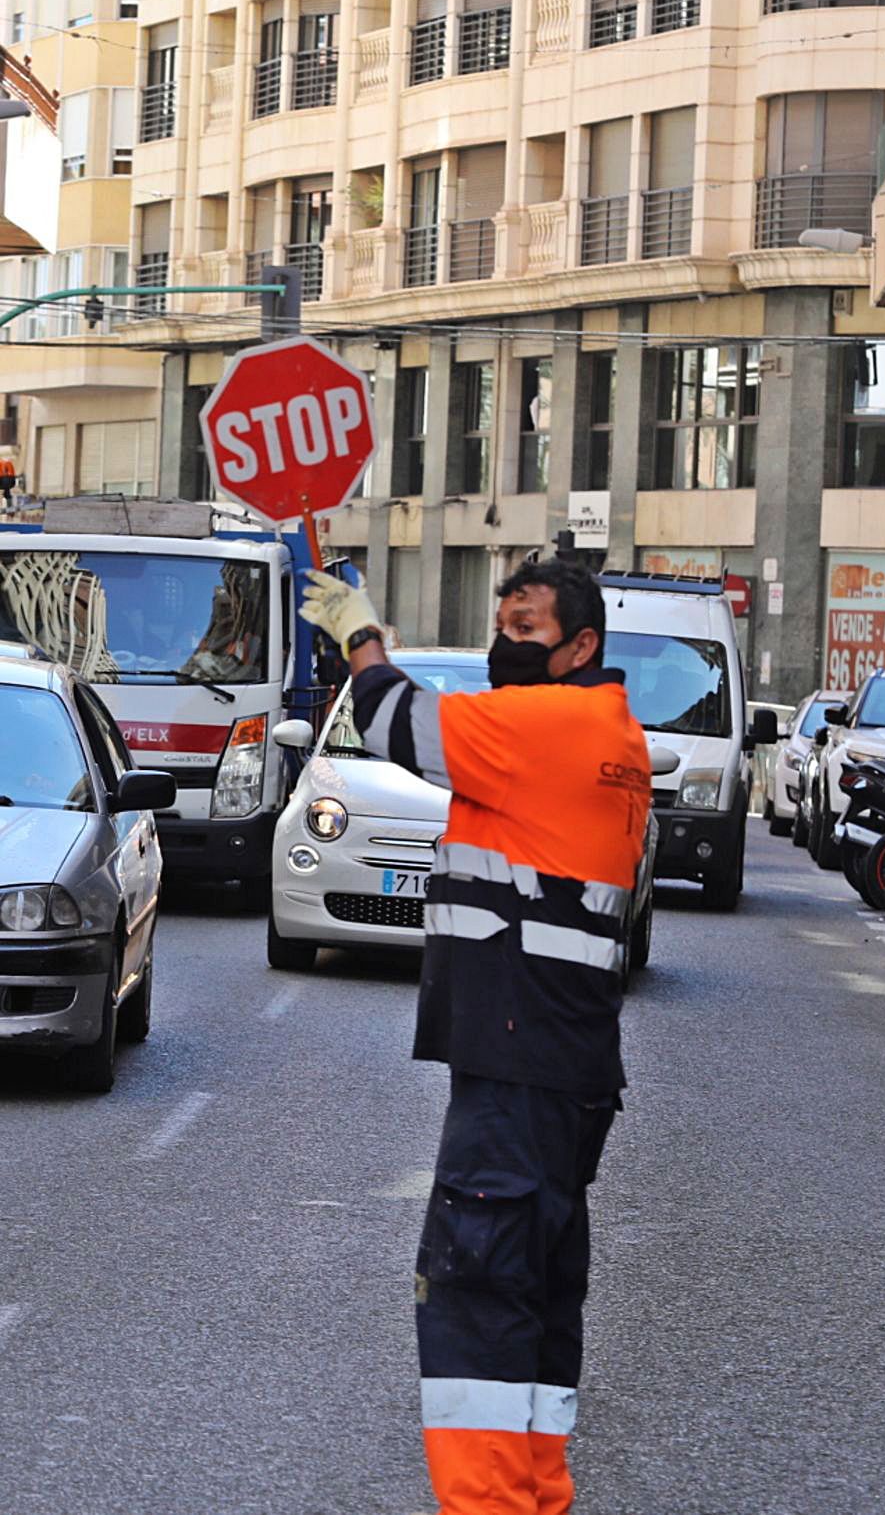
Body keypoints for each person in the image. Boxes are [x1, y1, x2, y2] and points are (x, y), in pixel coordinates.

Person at [301, 558, 651, 1515]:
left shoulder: (556, 724)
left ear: (581, 647)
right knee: (534, 1300)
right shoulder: (605, 733)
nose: (506, 643)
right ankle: (536, 1495)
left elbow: (395, 722)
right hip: (563, 1062)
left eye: (526, 628)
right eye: (501, 623)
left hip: (516, 1059)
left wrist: (358, 634)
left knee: (475, 1294)